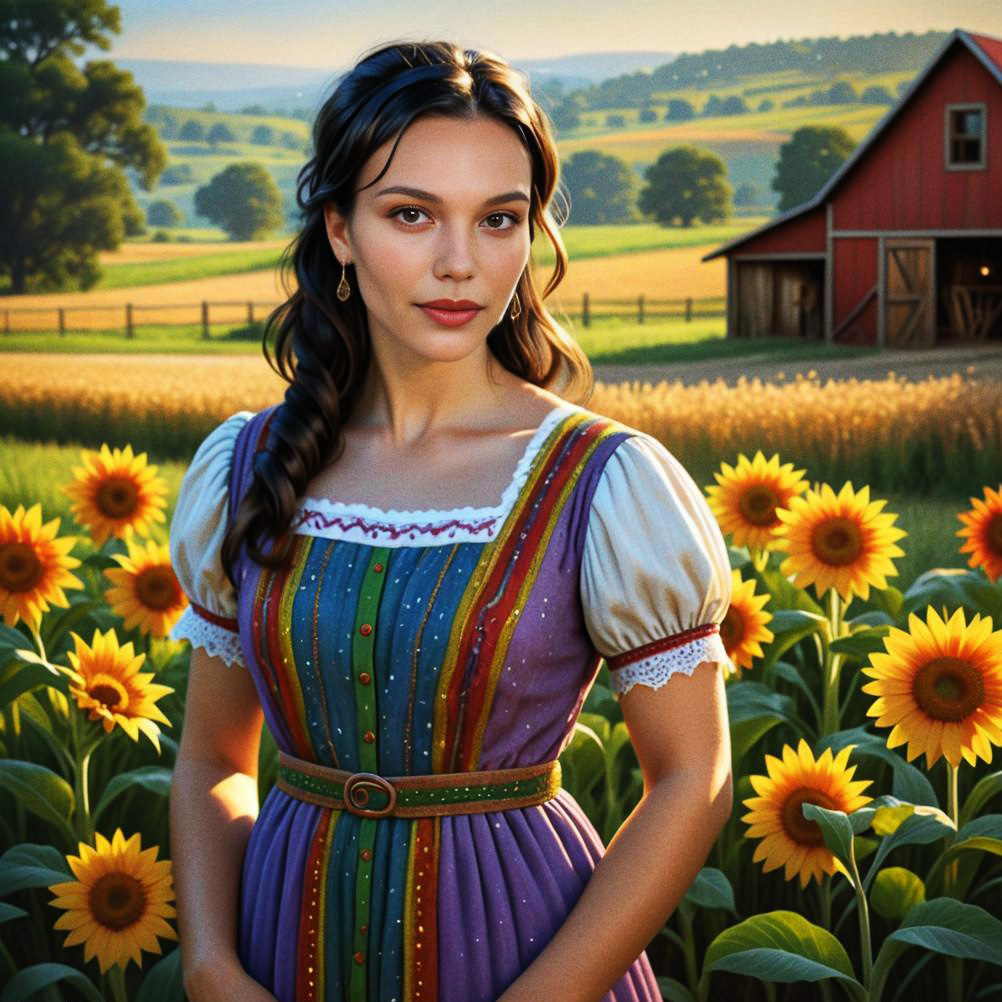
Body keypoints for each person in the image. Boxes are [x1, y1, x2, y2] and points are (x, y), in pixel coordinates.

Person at [167, 39, 734, 1002]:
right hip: (277, 949)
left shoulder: (605, 483)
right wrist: (213, 965)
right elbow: (215, 758)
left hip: (523, 949)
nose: (460, 263)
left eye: (499, 219)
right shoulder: (249, 465)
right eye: (411, 214)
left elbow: (693, 779)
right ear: (339, 229)